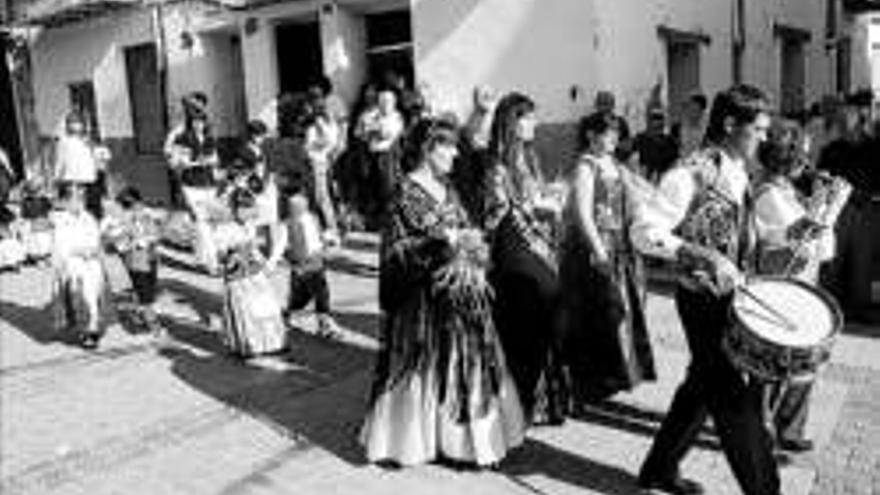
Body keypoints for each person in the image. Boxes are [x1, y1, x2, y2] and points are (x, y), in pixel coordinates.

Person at [631, 84, 780, 495]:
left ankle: (659, 469)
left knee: (701, 387)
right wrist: (699, 254)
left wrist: (791, 231)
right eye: (759, 129)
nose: (765, 137)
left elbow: (743, 226)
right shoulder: (689, 172)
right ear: (731, 124)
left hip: (733, 299)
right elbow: (644, 232)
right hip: (701, 303)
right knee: (735, 401)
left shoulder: (739, 168)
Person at [361, 118, 525, 468]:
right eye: (447, 146)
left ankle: (465, 444)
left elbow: (464, 227)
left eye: (455, 145)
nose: (455, 153)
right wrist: (442, 243)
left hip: (461, 294)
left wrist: (475, 246)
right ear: (427, 149)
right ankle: (415, 441)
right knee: (427, 365)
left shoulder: (447, 187)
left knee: (467, 364)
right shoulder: (404, 193)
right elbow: (398, 250)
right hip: (423, 301)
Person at [751, 118, 851, 454]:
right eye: (803, 156)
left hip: (800, 283)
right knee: (773, 365)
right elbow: (805, 244)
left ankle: (789, 428)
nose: (809, 163)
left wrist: (822, 201)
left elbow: (818, 247)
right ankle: (761, 429)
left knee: (804, 360)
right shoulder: (768, 194)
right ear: (787, 158)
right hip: (781, 287)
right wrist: (830, 208)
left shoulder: (786, 191)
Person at [560, 112, 656, 406]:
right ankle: (590, 383)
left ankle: (613, 376)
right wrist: (598, 250)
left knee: (620, 312)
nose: (613, 138)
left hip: (622, 247)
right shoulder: (586, 166)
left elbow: (641, 195)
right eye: (607, 132)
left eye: (616, 133)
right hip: (596, 248)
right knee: (598, 314)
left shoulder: (615, 164)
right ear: (591, 135)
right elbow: (582, 214)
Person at [484, 92, 567, 426]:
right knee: (525, 321)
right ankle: (519, 401)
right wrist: (535, 205)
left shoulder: (530, 157)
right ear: (511, 122)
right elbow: (495, 213)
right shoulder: (496, 165)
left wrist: (551, 195)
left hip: (539, 242)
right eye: (527, 117)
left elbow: (537, 194)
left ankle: (544, 397)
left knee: (549, 313)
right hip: (514, 246)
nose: (533, 123)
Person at [214, 186, 288, 358]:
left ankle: (273, 342)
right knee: (246, 311)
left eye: (249, 208)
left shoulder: (250, 225)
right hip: (238, 275)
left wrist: (265, 262)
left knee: (267, 306)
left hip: (255, 272)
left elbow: (255, 248)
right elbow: (220, 254)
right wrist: (232, 254)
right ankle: (250, 345)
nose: (246, 212)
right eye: (242, 208)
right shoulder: (223, 228)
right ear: (234, 208)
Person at [51, 183, 107, 349]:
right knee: (80, 298)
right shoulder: (61, 219)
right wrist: (75, 252)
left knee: (94, 295)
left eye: (80, 198)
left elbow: (95, 236)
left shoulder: (88, 217)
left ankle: (94, 328)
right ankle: (85, 332)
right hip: (73, 264)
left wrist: (94, 249)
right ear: (65, 201)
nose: (78, 202)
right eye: (74, 199)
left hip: (92, 261)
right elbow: (60, 244)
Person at [102, 186, 165, 333]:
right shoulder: (118, 218)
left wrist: (154, 231)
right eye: (134, 205)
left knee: (150, 285)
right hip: (135, 257)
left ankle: (141, 315)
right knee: (143, 288)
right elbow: (109, 235)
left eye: (139, 204)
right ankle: (151, 322)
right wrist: (126, 232)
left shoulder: (146, 214)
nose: (139, 207)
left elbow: (159, 227)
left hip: (150, 255)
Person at [282, 193, 342, 338]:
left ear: (305, 206)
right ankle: (287, 315)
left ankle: (325, 324)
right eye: (292, 206)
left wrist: (330, 240)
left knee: (322, 293)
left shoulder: (313, 219)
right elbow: (281, 245)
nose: (294, 209)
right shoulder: (287, 224)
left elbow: (321, 234)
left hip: (316, 260)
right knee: (300, 297)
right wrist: (275, 261)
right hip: (299, 264)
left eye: (297, 206)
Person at [355, 89, 405, 225]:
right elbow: (361, 133)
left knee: (388, 186)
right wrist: (373, 131)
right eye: (381, 101)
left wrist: (374, 131)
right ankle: (376, 220)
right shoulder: (371, 115)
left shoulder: (396, 116)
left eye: (387, 102)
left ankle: (391, 219)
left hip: (387, 155)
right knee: (373, 186)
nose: (384, 104)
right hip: (371, 154)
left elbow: (389, 133)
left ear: (393, 103)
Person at [54, 113, 102, 218]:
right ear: (68, 125)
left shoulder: (88, 140)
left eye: (78, 122)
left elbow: (97, 155)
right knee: (75, 202)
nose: (76, 125)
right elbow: (60, 159)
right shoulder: (64, 140)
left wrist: (98, 167)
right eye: (72, 122)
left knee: (91, 203)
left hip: (89, 176)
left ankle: (92, 220)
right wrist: (57, 176)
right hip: (72, 177)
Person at [632, 106, 679, 184]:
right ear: (649, 121)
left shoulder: (669, 141)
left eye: (660, 119)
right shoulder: (640, 139)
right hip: (642, 179)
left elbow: (674, 162)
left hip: (664, 180)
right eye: (655, 119)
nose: (657, 122)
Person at [592, 90, 632, 163]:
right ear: (596, 105)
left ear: (613, 105)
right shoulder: (588, 121)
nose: (604, 107)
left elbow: (627, 145)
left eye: (606, 104)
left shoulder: (621, 122)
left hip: (617, 161)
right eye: (601, 104)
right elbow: (585, 145)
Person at [671, 92, 708, 157]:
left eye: (695, 110)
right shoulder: (676, 128)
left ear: (702, 112)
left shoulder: (707, 131)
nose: (690, 114)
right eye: (689, 109)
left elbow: (709, 150)